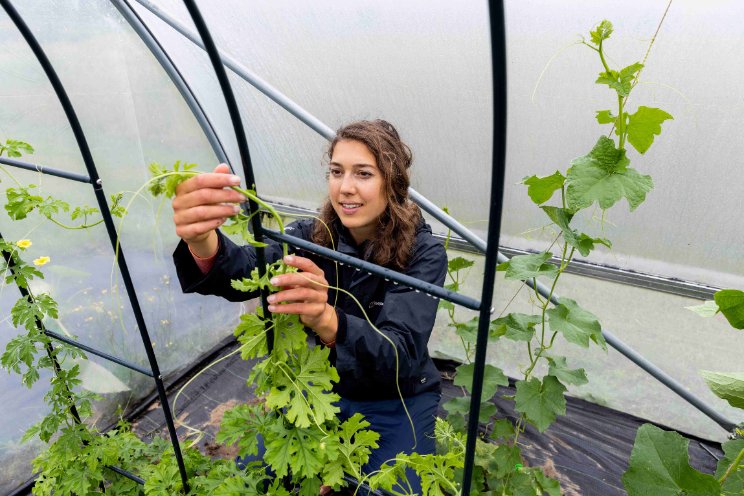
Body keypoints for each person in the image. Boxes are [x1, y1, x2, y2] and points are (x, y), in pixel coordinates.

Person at [171, 120, 447, 493]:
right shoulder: (312, 236)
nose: (345, 187)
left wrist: (329, 320)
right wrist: (202, 240)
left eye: (363, 174)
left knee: (391, 489)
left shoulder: (423, 253)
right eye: (336, 172)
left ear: (392, 182)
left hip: (396, 398)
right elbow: (243, 269)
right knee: (253, 475)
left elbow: (400, 353)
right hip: (319, 387)